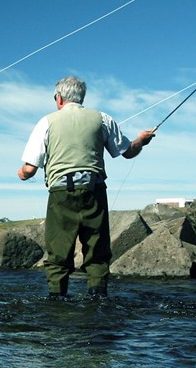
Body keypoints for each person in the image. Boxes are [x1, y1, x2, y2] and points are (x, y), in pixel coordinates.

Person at [18, 76, 155, 299]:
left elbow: (30, 169)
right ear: (81, 98)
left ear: (59, 98)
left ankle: (57, 299)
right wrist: (141, 139)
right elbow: (128, 151)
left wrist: (21, 173)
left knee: (58, 250)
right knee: (97, 249)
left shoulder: (46, 122)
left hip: (62, 194)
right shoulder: (102, 118)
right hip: (95, 192)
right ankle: (98, 298)